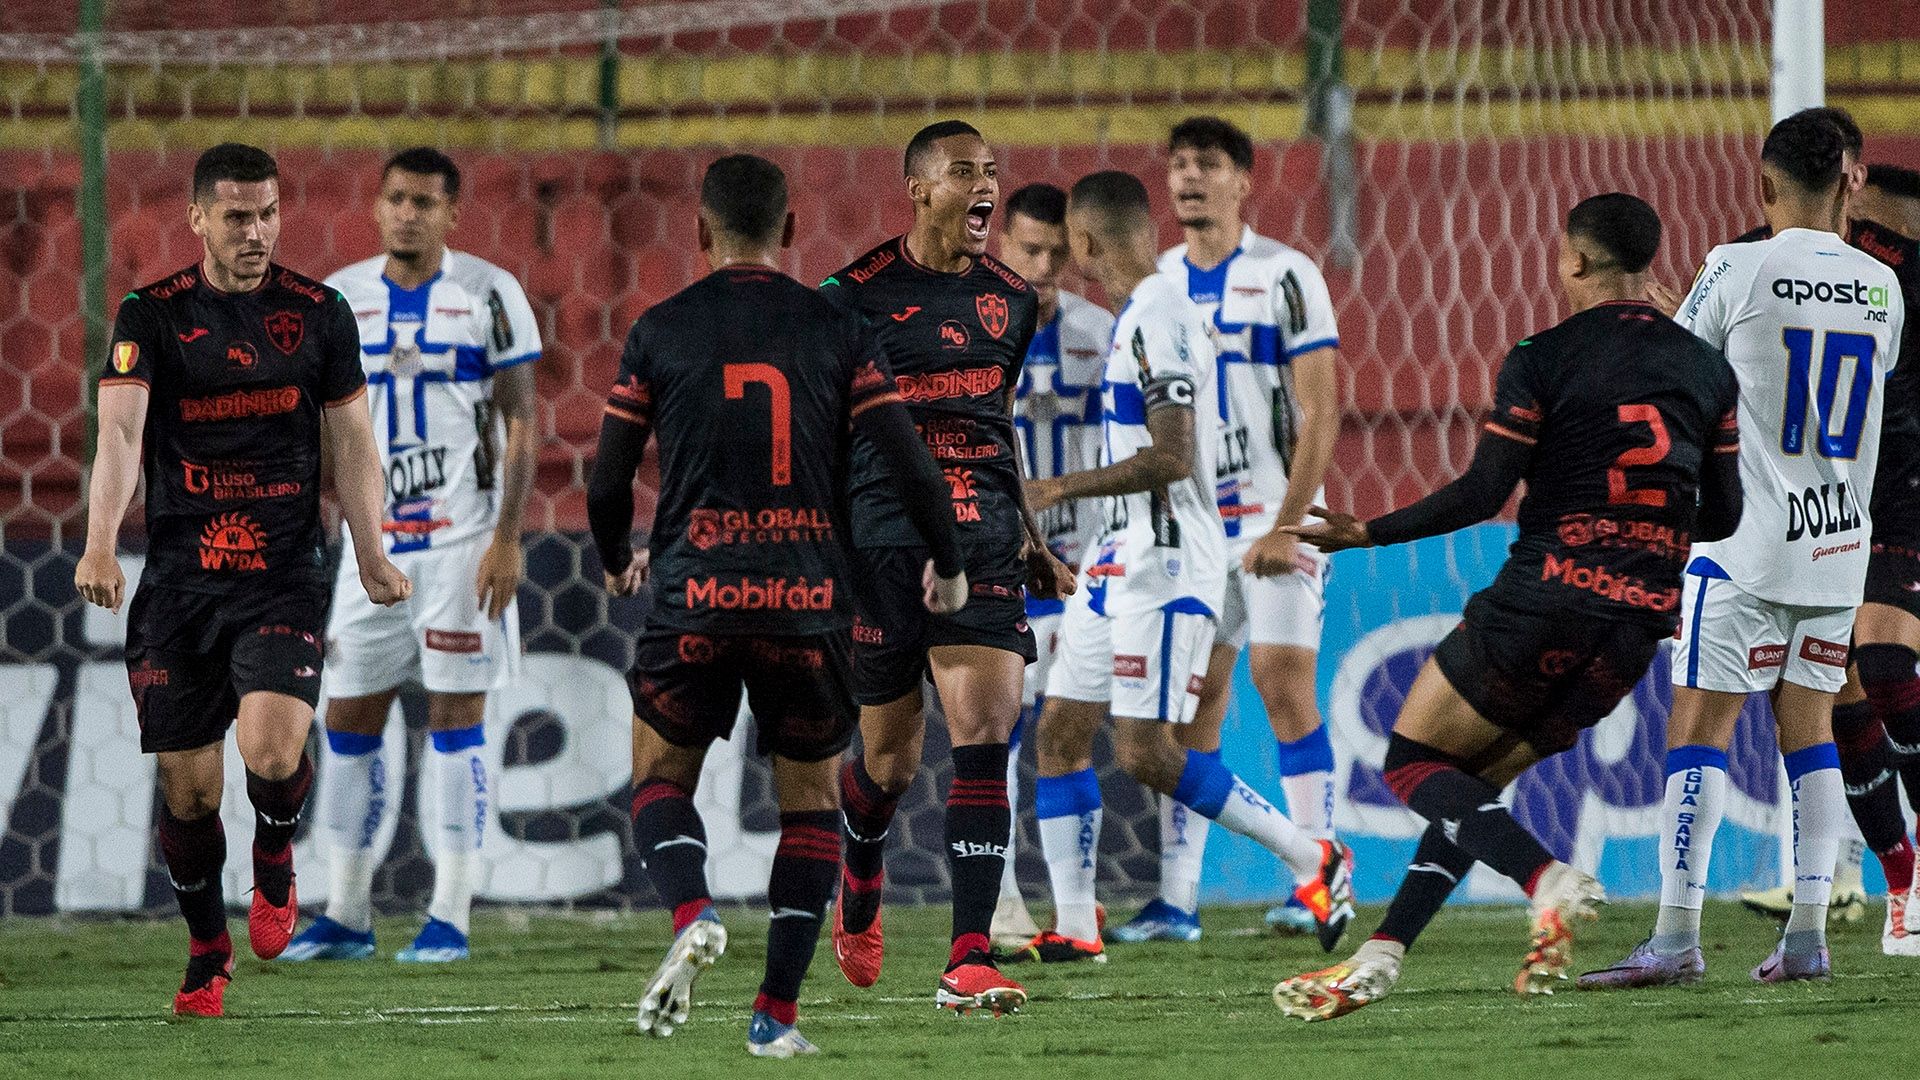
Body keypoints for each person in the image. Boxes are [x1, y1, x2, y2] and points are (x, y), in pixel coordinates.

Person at [1272, 192, 1741, 1021]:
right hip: (1636, 626)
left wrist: (1367, 530)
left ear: (1574, 261)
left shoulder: (1542, 356)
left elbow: (1485, 489)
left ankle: (1546, 880)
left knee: (1412, 762)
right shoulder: (1708, 368)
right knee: (1474, 786)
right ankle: (1383, 954)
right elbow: (1726, 516)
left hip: (1543, 601)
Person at [586, 155, 968, 1056]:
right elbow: (908, 459)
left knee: (659, 782)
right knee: (807, 808)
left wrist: (613, 559)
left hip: (697, 595)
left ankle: (691, 910)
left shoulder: (659, 329)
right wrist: (947, 562)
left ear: (700, 231)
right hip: (808, 596)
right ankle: (776, 1020)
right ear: (792, 231)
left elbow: (607, 480)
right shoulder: (835, 327)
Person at [74, 143, 411, 1017]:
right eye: (236, 216)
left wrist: (373, 549)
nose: (256, 232)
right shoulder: (149, 316)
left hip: (281, 575)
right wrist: (99, 542)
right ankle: (205, 947)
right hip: (181, 584)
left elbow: (353, 443)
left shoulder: (321, 314)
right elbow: (117, 438)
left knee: (271, 749)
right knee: (188, 790)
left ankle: (274, 850)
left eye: (267, 213)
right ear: (196, 219)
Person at [1580, 111, 1903, 989]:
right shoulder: (1885, 288)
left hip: (1742, 542)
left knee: (1700, 729)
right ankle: (1807, 937)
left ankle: (1677, 937)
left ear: (1763, 186)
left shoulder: (1737, 265)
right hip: (1838, 543)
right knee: (1812, 732)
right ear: (1854, 181)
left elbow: (1678, 375)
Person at [1015, 171, 1354, 966]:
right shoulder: (1142, 313)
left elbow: (1169, 457)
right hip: (1116, 556)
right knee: (1059, 735)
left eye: (1071, 246)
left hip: (1167, 562)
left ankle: (1313, 858)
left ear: (1090, 245)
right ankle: (1076, 924)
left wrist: (1060, 485)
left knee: (1146, 751)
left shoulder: (1159, 317)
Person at [820, 120, 1075, 1015]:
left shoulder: (1013, 299)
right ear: (917, 189)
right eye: (964, 172)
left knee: (985, 728)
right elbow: (823, 431)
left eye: (993, 173)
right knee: (888, 760)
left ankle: (968, 954)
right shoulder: (847, 297)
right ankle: (860, 862)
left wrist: (1032, 541)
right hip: (882, 538)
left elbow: (996, 420)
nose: (985, 188)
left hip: (983, 533)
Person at [284, 147, 543, 965]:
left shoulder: (490, 294)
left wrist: (507, 538)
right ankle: (346, 913)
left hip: (463, 544)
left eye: (425, 202)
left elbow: (522, 421)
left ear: (451, 213)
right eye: (395, 198)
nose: (407, 213)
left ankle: (450, 915)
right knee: (349, 719)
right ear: (377, 206)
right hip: (374, 546)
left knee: (455, 722)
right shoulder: (340, 299)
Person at [1115, 116, 1348, 943]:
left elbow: (1322, 409)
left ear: (1244, 180)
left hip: (1276, 515)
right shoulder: (1161, 284)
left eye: (1207, 165)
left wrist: (1289, 524)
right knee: (1188, 714)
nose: (1188, 179)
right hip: (1198, 530)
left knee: (1284, 687)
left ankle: (1316, 875)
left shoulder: (1287, 275)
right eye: (1177, 165)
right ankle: (1178, 901)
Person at [991, 182, 1116, 948]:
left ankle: (1081, 904)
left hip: (1081, 573)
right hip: (998, 568)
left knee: (1076, 734)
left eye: (1056, 252)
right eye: (1028, 248)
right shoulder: (966, 333)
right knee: (993, 734)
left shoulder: (1101, 332)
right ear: (1003, 244)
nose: (1041, 265)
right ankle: (1004, 901)